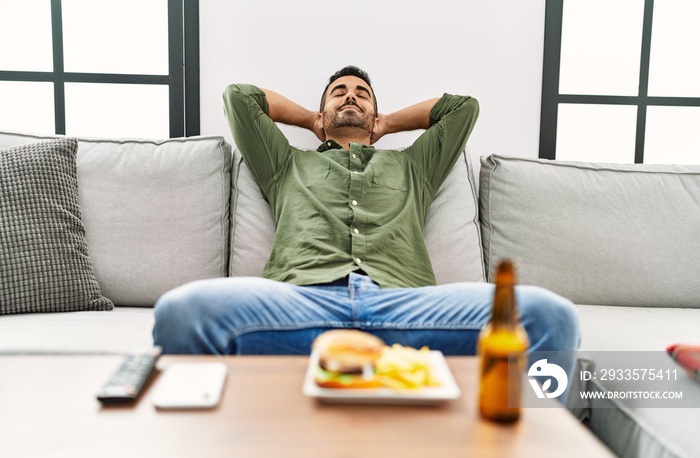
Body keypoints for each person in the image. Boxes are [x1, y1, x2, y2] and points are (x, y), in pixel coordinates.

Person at [153, 66, 579, 372]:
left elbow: (463, 108)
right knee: (180, 312)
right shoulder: (285, 164)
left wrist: (387, 124)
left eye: (361, 92)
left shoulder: (415, 166)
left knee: (550, 317)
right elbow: (239, 98)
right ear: (323, 114)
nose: (350, 95)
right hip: (301, 305)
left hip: (407, 309)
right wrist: (309, 120)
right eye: (338, 92)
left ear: (374, 114)